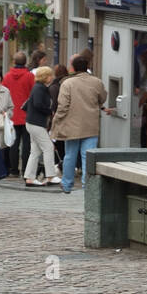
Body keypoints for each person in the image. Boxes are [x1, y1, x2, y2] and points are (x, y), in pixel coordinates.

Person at [51, 51, 108, 194]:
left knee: (70, 155)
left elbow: (63, 106)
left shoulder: (67, 83)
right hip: (91, 125)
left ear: (73, 68)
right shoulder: (97, 82)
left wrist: (56, 122)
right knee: (87, 156)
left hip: (72, 126)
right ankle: (86, 185)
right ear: (87, 66)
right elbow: (102, 98)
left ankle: (67, 184)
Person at [23, 66, 61, 186]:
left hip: (32, 122)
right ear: (45, 77)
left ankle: (29, 177)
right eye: (50, 75)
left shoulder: (39, 87)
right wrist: (50, 111)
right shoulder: (40, 88)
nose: (52, 77)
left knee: (35, 151)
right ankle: (50, 176)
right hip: (36, 123)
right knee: (48, 147)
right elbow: (38, 104)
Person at [2, 50, 34, 177]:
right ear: (25, 62)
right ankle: (25, 169)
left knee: (13, 144)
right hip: (26, 115)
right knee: (26, 145)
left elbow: (3, 94)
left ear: (14, 62)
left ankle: (13, 170)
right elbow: (33, 94)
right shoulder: (29, 76)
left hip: (12, 115)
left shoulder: (7, 77)